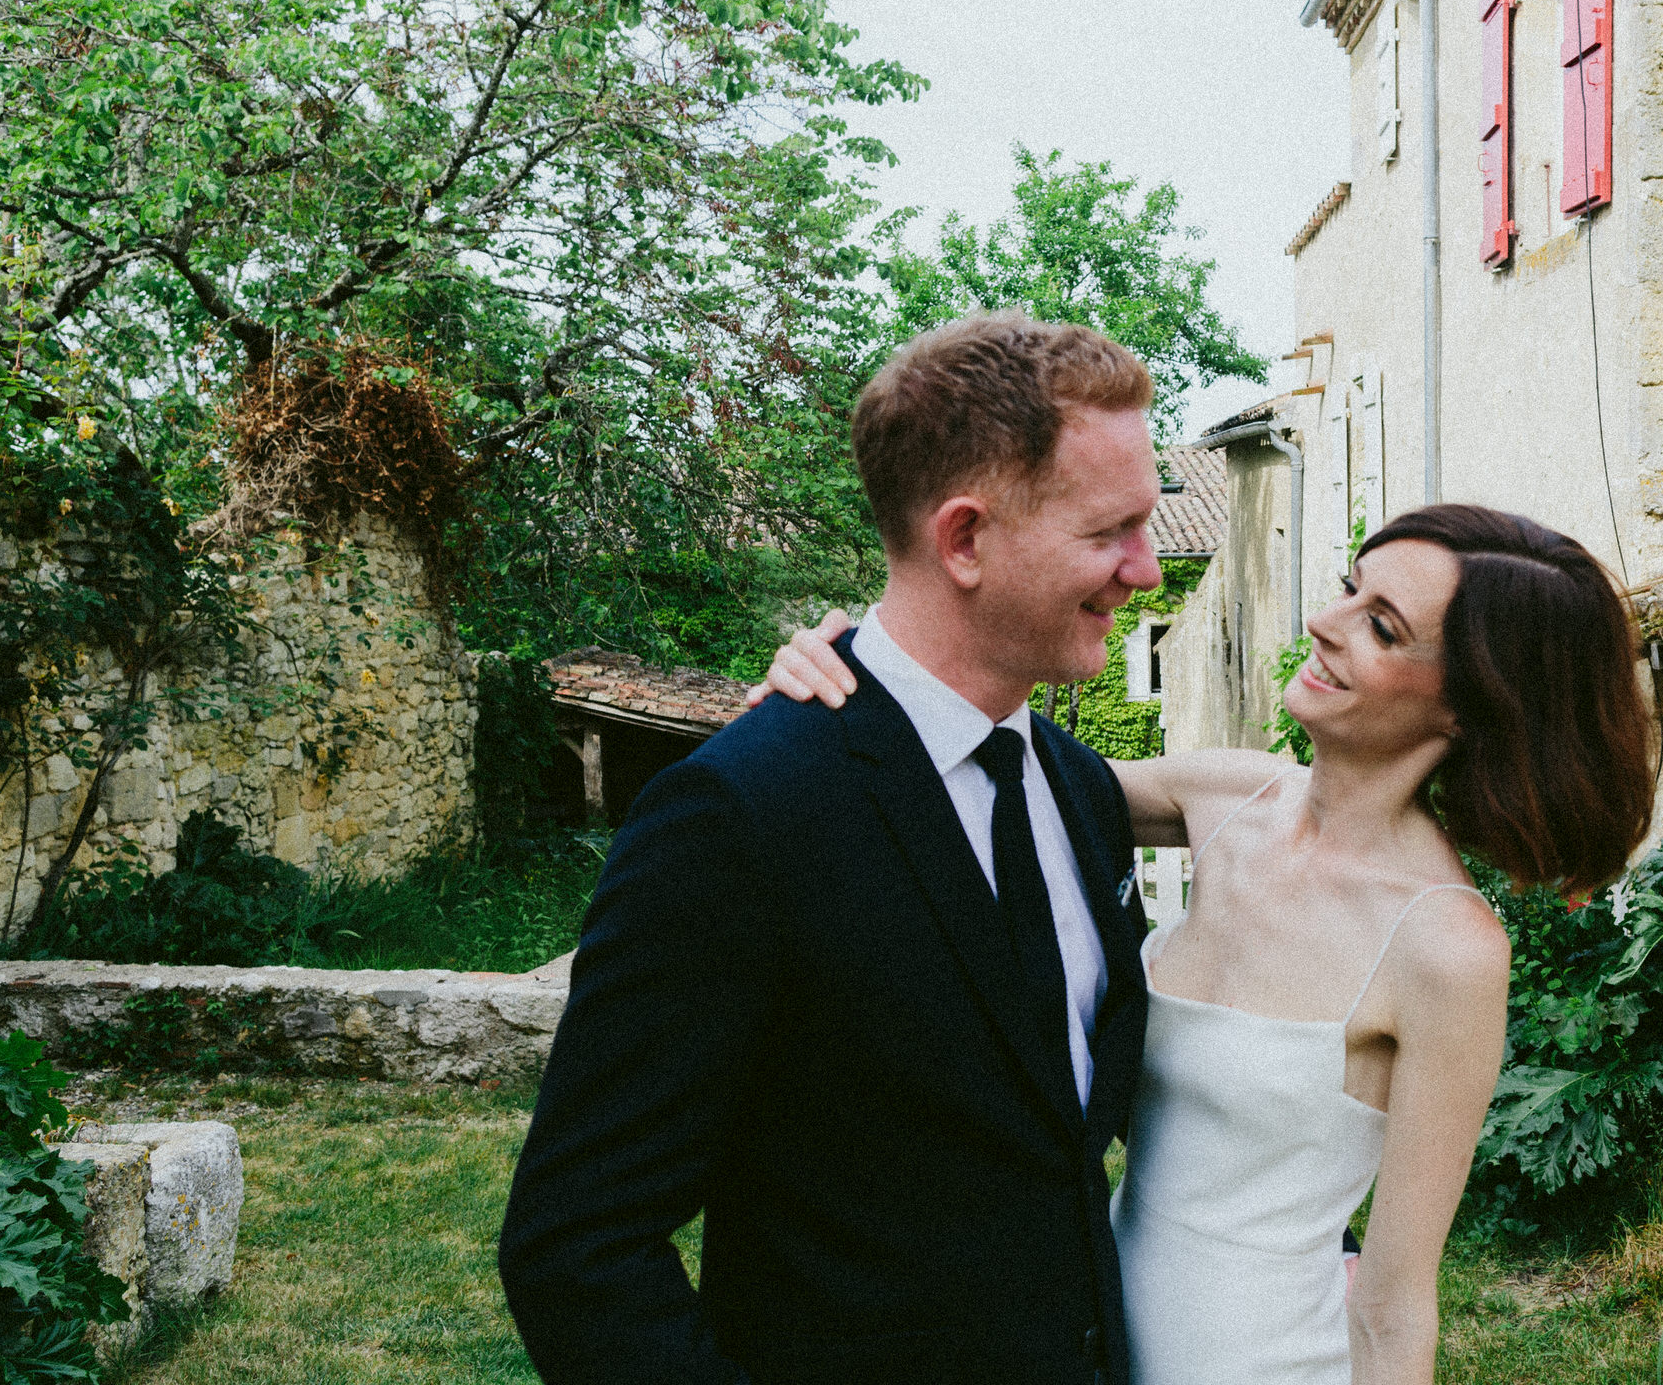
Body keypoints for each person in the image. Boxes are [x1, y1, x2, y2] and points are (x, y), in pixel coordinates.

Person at [760, 502, 1656, 1384]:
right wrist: (852, 672)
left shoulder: (1447, 948)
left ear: (1469, 707)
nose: (1324, 622)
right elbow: (962, 766)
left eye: (1380, 626)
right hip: (1093, 1337)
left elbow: (1393, 1305)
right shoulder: (1225, 801)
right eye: (1349, 590)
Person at [499, 312, 1167, 1384]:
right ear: (964, 538)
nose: (1147, 571)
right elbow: (578, 1244)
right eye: (1110, 533)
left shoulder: (1081, 792)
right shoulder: (739, 815)